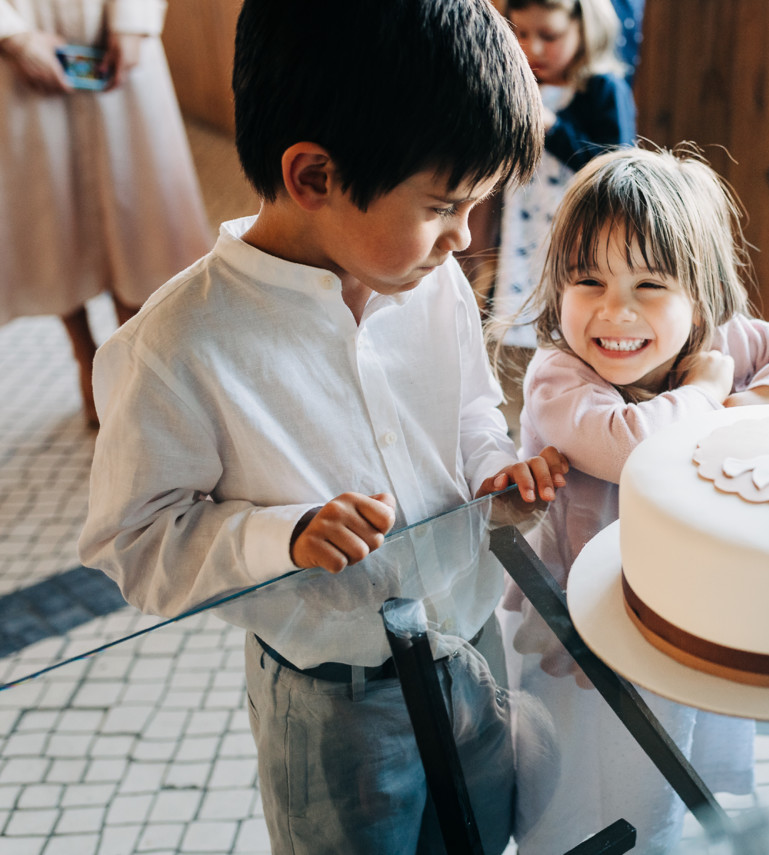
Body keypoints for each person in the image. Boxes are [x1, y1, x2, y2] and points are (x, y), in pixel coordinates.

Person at [77, 1, 567, 853]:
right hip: (334, 697)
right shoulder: (178, 345)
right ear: (312, 177)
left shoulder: (432, 280)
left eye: (476, 208)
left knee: (484, 835)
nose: (463, 238)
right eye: (445, 205)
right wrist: (282, 536)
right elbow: (135, 543)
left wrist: (493, 467)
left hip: (470, 637)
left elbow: (470, 410)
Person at [499, 145, 769, 853]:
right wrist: (705, 392)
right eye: (587, 280)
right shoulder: (559, 375)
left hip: (684, 625)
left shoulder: (715, 344)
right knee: (572, 802)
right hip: (578, 637)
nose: (615, 310)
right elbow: (632, 443)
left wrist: (749, 399)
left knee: (663, 782)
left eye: (650, 283)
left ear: (701, 297)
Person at [0, 0, 210, 427]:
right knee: (47, 207)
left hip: (111, 30)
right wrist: (12, 37)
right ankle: (86, 356)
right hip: (20, 34)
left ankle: (134, 358)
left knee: (141, 206)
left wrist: (134, 20)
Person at [487, 0, 635, 430]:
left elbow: (615, 165)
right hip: (518, 236)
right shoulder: (518, 83)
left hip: (578, 239)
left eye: (549, 36)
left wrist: (552, 126)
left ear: (583, 30)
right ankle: (524, 420)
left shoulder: (602, 88)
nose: (534, 48)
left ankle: (578, 420)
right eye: (522, 34)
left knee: (569, 325)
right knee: (518, 325)